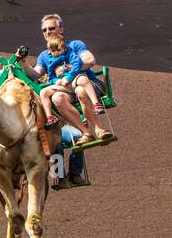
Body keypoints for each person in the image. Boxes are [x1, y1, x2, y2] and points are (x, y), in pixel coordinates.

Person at [22, 13, 112, 146]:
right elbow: (35, 74)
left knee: (81, 90)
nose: (48, 32)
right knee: (57, 98)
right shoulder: (45, 55)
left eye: (51, 28)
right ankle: (86, 132)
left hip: (86, 82)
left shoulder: (74, 45)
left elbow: (90, 60)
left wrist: (67, 68)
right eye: (44, 30)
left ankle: (99, 129)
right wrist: (22, 63)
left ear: (61, 29)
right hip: (67, 89)